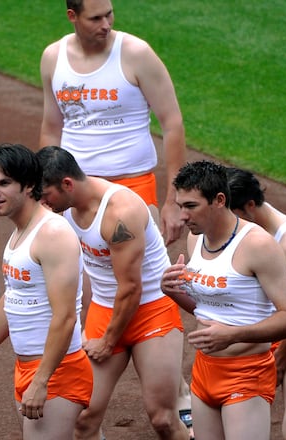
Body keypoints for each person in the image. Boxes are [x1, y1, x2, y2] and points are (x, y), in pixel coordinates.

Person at [36, 146, 189, 440]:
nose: (43, 203)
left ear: (67, 184)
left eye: (46, 195)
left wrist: (108, 341)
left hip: (151, 310)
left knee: (163, 419)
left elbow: (131, 287)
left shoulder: (120, 213)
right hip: (104, 309)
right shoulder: (61, 208)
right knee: (83, 420)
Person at [0, 143, 93, 440]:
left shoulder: (52, 234)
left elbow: (65, 317)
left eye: (4, 183)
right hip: (29, 367)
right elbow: (13, 299)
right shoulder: (19, 234)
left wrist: (41, 380)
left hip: (57, 372)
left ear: (29, 185)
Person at [160, 160, 286, 439]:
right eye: (180, 206)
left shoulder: (257, 245)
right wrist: (173, 291)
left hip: (247, 373)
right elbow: (208, 310)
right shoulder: (196, 240)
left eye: (191, 206)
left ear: (219, 200)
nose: (183, 216)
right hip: (204, 371)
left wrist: (233, 335)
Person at [38, 0, 186, 247]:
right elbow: (51, 128)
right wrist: (45, 190)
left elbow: (172, 124)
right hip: (74, 191)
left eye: (109, 15)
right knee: (73, 269)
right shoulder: (53, 58)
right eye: (95, 19)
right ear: (72, 16)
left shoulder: (136, 54)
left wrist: (174, 201)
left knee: (137, 269)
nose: (106, 25)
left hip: (133, 186)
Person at [226, 167, 286, 440]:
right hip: (253, 336)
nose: (226, 223)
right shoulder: (229, 230)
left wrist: (277, 365)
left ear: (250, 206)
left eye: (231, 214)